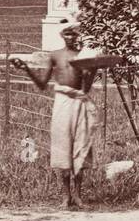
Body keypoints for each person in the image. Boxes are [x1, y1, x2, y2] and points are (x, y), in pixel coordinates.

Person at [11, 19, 96, 209]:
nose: (70, 37)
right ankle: (66, 196)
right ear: (62, 36)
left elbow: (86, 88)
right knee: (62, 145)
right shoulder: (55, 56)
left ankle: (78, 196)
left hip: (78, 103)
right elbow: (42, 84)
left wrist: (93, 70)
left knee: (80, 146)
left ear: (78, 35)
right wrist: (26, 68)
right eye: (67, 33)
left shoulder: (82, 57)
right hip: (62, 103)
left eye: (73, 33)